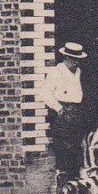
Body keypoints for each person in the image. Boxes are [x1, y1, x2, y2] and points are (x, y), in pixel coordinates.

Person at [40, 41, 87, 179]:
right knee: (64, 149)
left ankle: (75, 183)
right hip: (63, 113)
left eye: (78, 60)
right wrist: (59, 109)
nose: (76, 62)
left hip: (76, 112)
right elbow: (44, 93)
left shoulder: (78, 72)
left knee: (76, 147)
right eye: (73, 59)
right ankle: (63, 184)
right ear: (65, 57)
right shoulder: (56, 72)